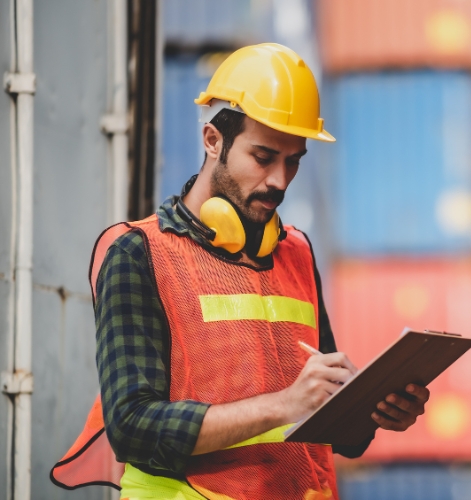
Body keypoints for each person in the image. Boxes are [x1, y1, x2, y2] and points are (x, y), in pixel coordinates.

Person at [50, 43, 429, 500]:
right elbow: (132, 429)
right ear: (213, 141)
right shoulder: (140, 252)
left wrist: (371, 411)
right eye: (264, 157)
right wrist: (284, 404)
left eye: (293, 161)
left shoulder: (298, 253)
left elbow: (329, 425)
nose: (280, 181)